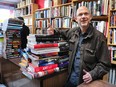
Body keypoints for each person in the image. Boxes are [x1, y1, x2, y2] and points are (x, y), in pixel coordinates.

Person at [47, 6, 111, 87]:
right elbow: (62, 32)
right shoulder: (73, 32)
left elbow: (105, 64)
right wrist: (53, 31)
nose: (83, 16)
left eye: (86, 14)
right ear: (76, 19)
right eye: (80, 14)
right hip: (70, 80)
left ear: (90, 17)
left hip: (87, 83)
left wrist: (92, 74)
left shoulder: (99, 37)